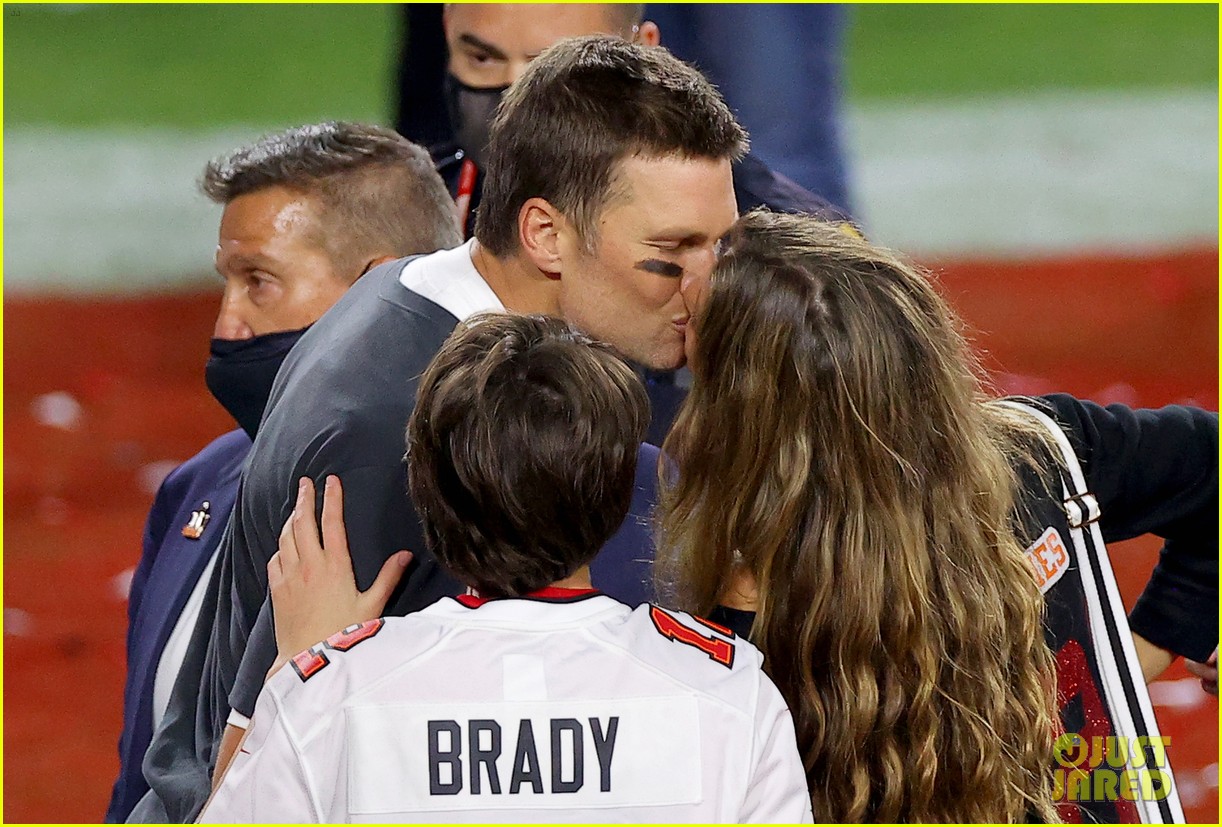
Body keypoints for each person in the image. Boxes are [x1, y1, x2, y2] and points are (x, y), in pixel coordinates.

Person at [131, 35, 745, 823]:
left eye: (717, 245)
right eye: (671, 254)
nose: (705, 286)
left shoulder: (410, 297)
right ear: (547, 236)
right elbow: (248, 780)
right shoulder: (406, 427)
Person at [658, 210, 1217, 821]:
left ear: (743, 398)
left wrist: (1142, 653)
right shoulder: (1042, 456)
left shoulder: (746, 601)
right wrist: (1152, 647)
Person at [199, 313, 813, 823]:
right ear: (618, 495)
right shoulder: (728, 692)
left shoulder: (330, 695)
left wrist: (294, 664)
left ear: (427, 488)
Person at [104, 121, 462, 823]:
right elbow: (141, 769)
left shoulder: (439, 509)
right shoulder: (198, 484)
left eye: (259, 282)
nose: (225, 323)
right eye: (226, 282)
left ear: (374, 288)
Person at [396, 2, 856, 444]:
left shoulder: (800, 267)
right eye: (481, 58)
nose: (514, 98)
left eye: (552, 67)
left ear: (642, 55)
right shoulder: (410, 207)